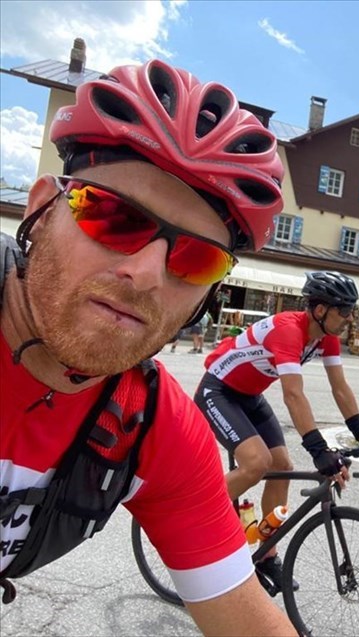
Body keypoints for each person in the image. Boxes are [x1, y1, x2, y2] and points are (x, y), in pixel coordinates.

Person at [0, 59, 298, 634]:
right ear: (40, 210)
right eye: (112, 216)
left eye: (195, 258)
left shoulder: (152, 427)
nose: (147, 273)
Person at [194, 271, 359, 592]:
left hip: (249, 397)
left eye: (351, 310)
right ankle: (190, 519)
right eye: (344, 310)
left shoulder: (326, 338)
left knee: (282, 467)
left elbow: (339, 388)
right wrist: (318, 451)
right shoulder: (289, 331)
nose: (349, 318)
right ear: (320, 310)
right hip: (218, 391)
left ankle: (264, 555)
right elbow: (293, 394)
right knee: (256, 464)